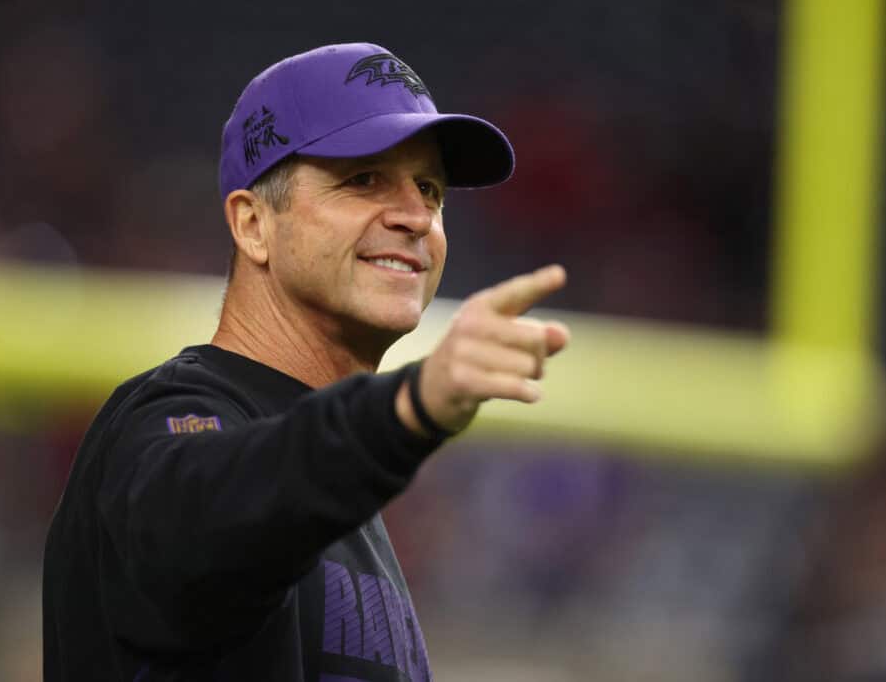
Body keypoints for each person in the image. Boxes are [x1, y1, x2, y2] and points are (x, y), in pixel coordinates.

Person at [43, 42, 569, 681]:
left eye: (430, 190)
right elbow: (202, 526)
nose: (415, 217)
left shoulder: (343, 476)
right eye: (364, 178)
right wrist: (406, 410)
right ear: (253, 225)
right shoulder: (173, 416)